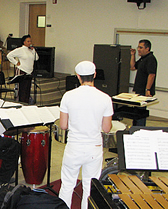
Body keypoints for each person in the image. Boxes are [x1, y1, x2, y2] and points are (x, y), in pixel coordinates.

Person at [58, 61, 113, 209]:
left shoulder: (68, 96)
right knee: (89, 186)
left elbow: (63, 125)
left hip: (74, 147)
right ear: (94, 75)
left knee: (67, 184)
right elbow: (106, 128)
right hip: (93, 147)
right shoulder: (105, 98)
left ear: (78, 76)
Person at [130, 39, 157, 126]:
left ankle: (139, 129)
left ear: (147, 49)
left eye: (141, 47)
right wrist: (133, 55)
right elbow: (133, 67)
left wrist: (147, 89)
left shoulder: (151, 59)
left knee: (141, 113)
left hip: (144, 90)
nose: (138, 49)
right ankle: (134, 128)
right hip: (139, 90)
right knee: (136, 112)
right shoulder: (143, 59)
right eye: (138, 47)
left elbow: (151, 75)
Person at [6, 34, 39, 103]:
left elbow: (36, 58)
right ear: (24, 42)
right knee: (22, 89)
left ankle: (26, 102)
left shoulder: (30, 50)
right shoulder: (20, 50)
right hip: (22, 70)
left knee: (27, 89)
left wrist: (33, 50)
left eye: (30, 41)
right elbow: (9, 55)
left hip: (29, 72)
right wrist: (16, 62)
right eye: (28, 41)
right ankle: (21, 102)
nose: (30, 43)